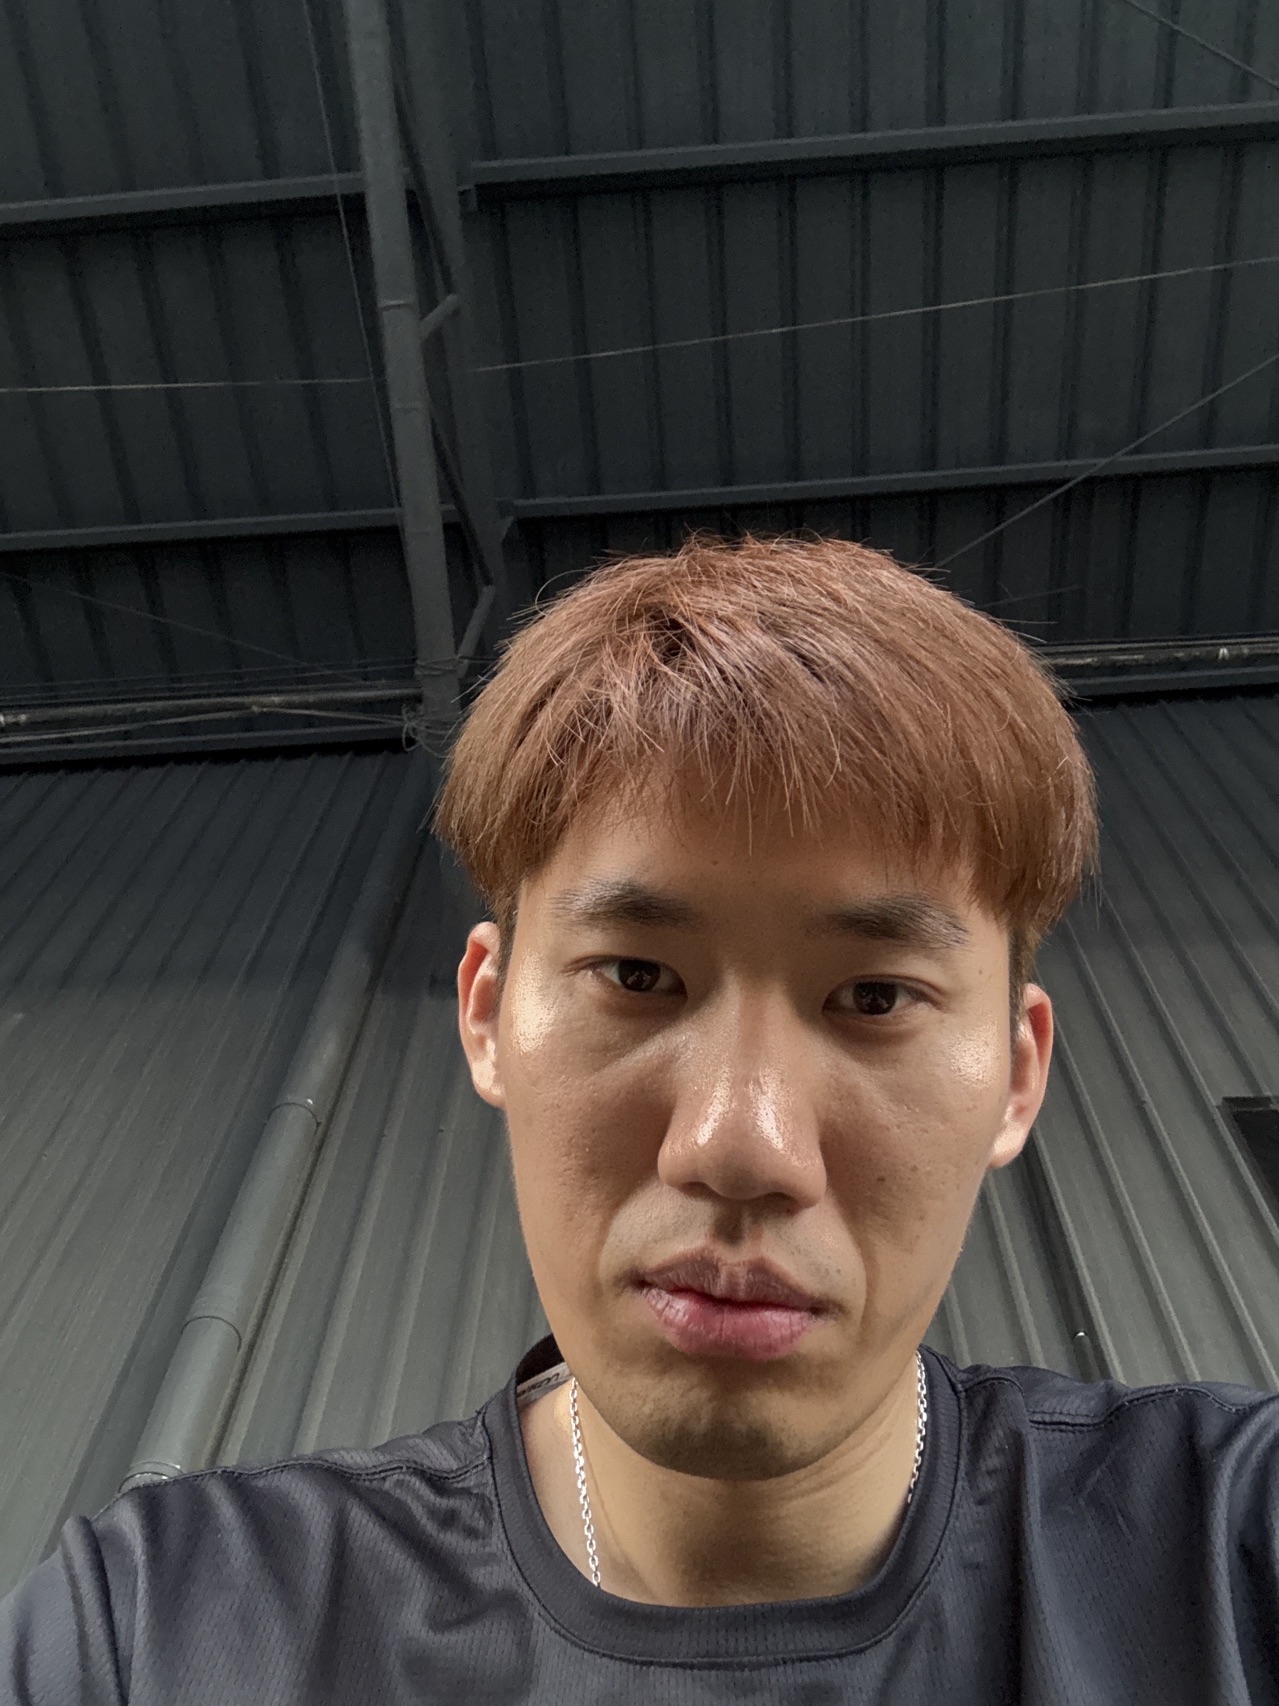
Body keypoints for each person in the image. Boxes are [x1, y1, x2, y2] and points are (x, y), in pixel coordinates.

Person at [2, 534, 1277, 1703]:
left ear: (1015, 1073)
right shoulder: (158, 1628)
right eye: (635, 974)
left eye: (875, 995)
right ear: (487, 1013)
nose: (738, 1143)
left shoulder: (1229, 1550)